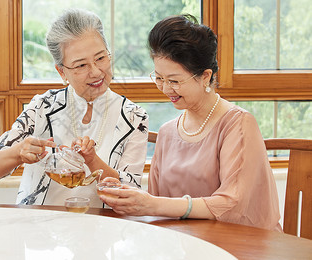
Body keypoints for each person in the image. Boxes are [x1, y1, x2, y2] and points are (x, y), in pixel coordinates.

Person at [99, 14, 281, 231]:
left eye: (174, 81)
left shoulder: (238, 124)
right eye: (159, 78)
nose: (166, 89)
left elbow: (232, 203)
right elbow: (158, 204)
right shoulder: (167, 132)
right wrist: (127, 194)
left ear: (205, 76)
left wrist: (153, 204)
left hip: (239, 245)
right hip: (184, 245)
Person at [0, 8, 149, 207]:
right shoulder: (42, 107)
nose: (96, 72)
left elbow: (130, 193)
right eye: (81, 66)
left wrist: (92, 160)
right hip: (39, 226)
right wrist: (19, 153)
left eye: (101, 58)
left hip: (101, 227)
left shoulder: (134, 117)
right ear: (62, 72)